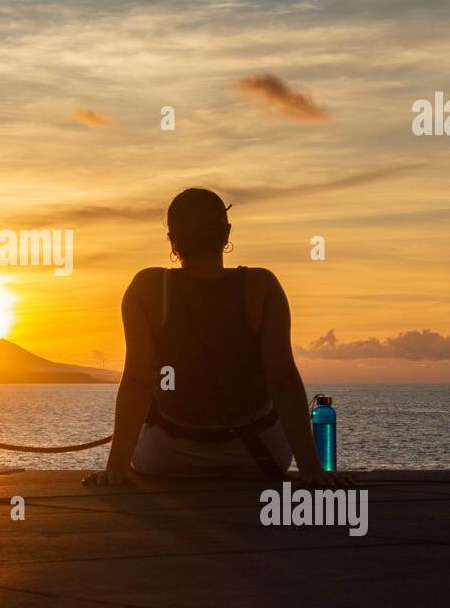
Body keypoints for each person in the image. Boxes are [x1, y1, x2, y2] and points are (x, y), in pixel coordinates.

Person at [84, 188, 352, 488]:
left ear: (173, 240)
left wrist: (115, 469)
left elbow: (137, 380)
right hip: (260, 455)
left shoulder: (146, 288)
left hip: (168, 457)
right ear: (226, 234)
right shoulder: (261, 286)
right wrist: (311, 469)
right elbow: (283, 379)